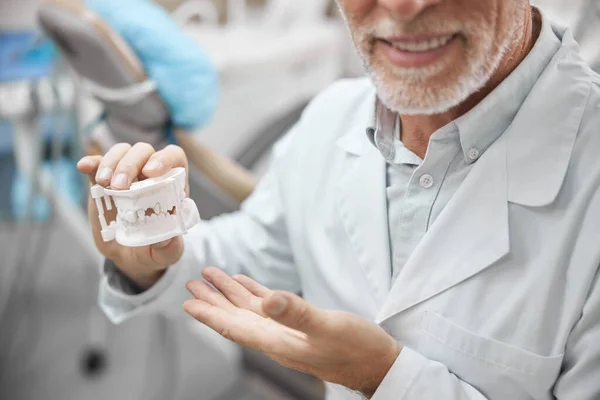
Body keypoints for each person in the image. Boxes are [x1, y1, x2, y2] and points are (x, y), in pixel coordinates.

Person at [77, 0, 600, 398]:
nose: (402, 6)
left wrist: (385, 378)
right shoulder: (333, 117)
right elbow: (254, 256)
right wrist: (152, 257)